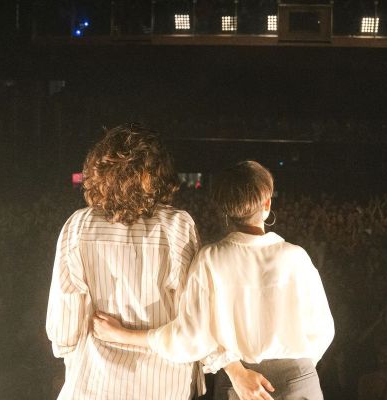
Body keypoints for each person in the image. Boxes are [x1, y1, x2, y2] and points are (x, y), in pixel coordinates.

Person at [92, 160, 336, 400]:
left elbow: (190, 337)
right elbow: (323, 330)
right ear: (267, 204)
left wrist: (123, 335)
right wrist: (297, 370)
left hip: (239, 385)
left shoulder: (210, 259)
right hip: (300, 381)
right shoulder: (296, 257)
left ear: (225, 209)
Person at [45, 124, 202, 399]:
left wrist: (68, 355)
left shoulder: (79, 226)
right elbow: (192, 317)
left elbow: (65, 318)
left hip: (96, 382)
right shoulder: (178, 226)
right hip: (164, 383)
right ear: (157, 175)